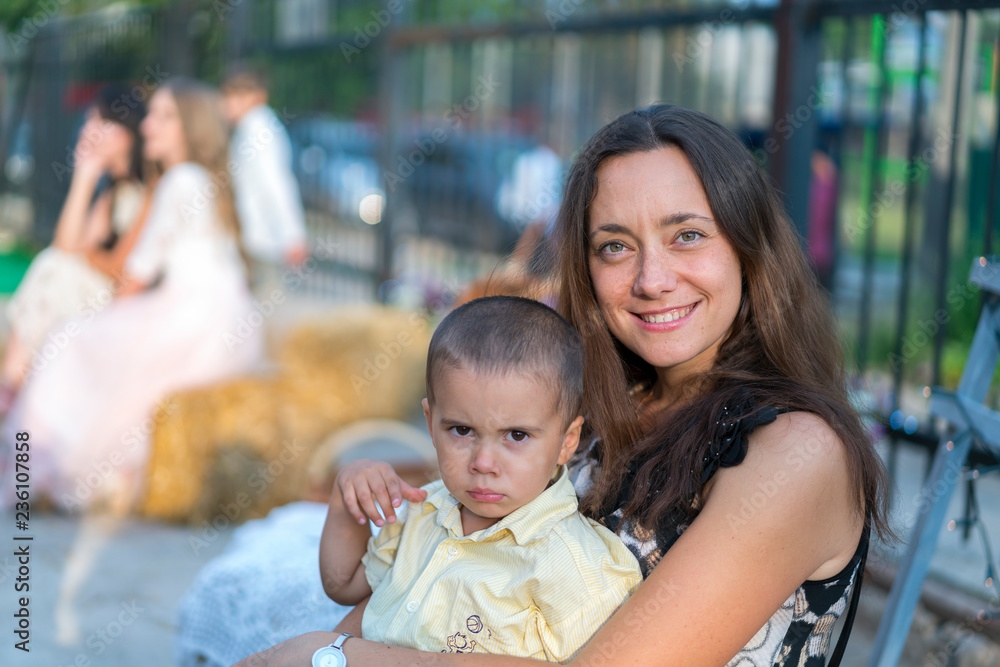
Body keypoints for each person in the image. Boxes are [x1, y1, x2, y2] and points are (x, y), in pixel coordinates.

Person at [235, 104, 892, 667]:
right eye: (614, 246)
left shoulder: (795, 451)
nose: (652, 278)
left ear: (747, 247)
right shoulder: (598, 414)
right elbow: (431, 581)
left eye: (687, 235)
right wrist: (325, 646)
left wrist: (330, 655)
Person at [317, 296, 641, 663]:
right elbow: (342, 586)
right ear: (430, 423)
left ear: (567, 442)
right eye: (461, 430)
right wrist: (346, 504)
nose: (483, 462)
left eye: (516, 435)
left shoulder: (573, 565)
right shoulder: (420, 512)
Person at [4, 78, 265, 512]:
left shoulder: (179, 181)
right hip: (225, 320)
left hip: (192, 317)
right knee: (81, 342)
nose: (149, 128)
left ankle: (38, 453)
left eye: (164, 118)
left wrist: (96, 320)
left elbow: (135, 277)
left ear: (189, 128)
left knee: (68, 342)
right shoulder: (201, 181)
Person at [0, 84, 150, 413]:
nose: (88, 130)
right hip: (93, 292)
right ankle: (13, 389)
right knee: (53, 265)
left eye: (101, 122)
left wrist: (86, 254)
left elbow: (116, 267)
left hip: (124, 306)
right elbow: (67, 246)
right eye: (88, 121)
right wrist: (85, 176)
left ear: (127, 135)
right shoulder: (113, 192)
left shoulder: (147, 193)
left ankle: (11, 390)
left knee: (54, 268)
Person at [221, 64, 309, 282]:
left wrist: (293, 235)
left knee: (265, 306)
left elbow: (275, 183)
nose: (227, 103)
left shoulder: (259, 128)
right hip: (255, 237)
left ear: (258, 96)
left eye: (236, 96)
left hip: (261, 239)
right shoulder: (250, 127)